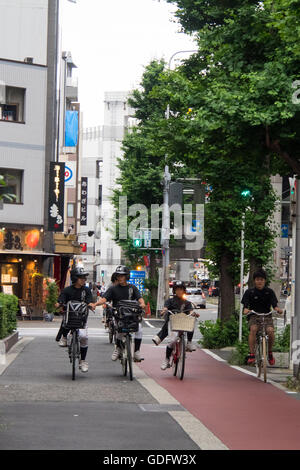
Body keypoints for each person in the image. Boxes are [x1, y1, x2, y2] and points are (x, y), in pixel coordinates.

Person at [94, 265, 146, 362]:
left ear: (127, 276)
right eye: (118, 275)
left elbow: (139, 298)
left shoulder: (132, 288)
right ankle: (118, 348)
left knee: (139, 329)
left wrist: (142, 303)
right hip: (119, 315)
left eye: (122, 275)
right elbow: (104, 299)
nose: (120, 277)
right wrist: (96, 303)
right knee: (118, 330)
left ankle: (137, 352)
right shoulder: (113, 289)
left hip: (131, 315)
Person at [152, 280, 200, 370]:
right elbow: (165, 308)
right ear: (174, 291)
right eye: (177, 289)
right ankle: (166, 359)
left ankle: (189, 342)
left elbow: (190, 311)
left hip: (183, 323)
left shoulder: (187, 302)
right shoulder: (170, 301)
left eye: (181, 289)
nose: (179, 291)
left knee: (191, 321)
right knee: (172, 341)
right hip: (173, 323)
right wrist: (164, 311)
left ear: (183, 290)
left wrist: (193, 313)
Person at [55, 266, 94, 373]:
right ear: (74, 278)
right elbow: (61, 299)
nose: (83, 280)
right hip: (69, 316)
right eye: (81, 278)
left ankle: (83, 361)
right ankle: (64, 337)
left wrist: (91, 304)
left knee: (84, 337)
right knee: (66, 321)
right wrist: (58, 304)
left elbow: (90, 300)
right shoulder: (67, 290)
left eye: (84, 278)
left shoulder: (86, 290)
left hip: (82, 318)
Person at [242, 269, 283, 366]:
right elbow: (245, 307)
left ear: (265, 280)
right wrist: (246, 310)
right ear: (254, 281)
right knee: (253, 329)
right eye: (257, 279)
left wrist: (278, 309)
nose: (259, 281)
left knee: (270, 331)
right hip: (254, 316)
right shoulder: (249, 292)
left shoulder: (269, 292)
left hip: (267, 316)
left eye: (261, 279)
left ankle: (269, 352)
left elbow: (274, 305)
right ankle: (252, 354)